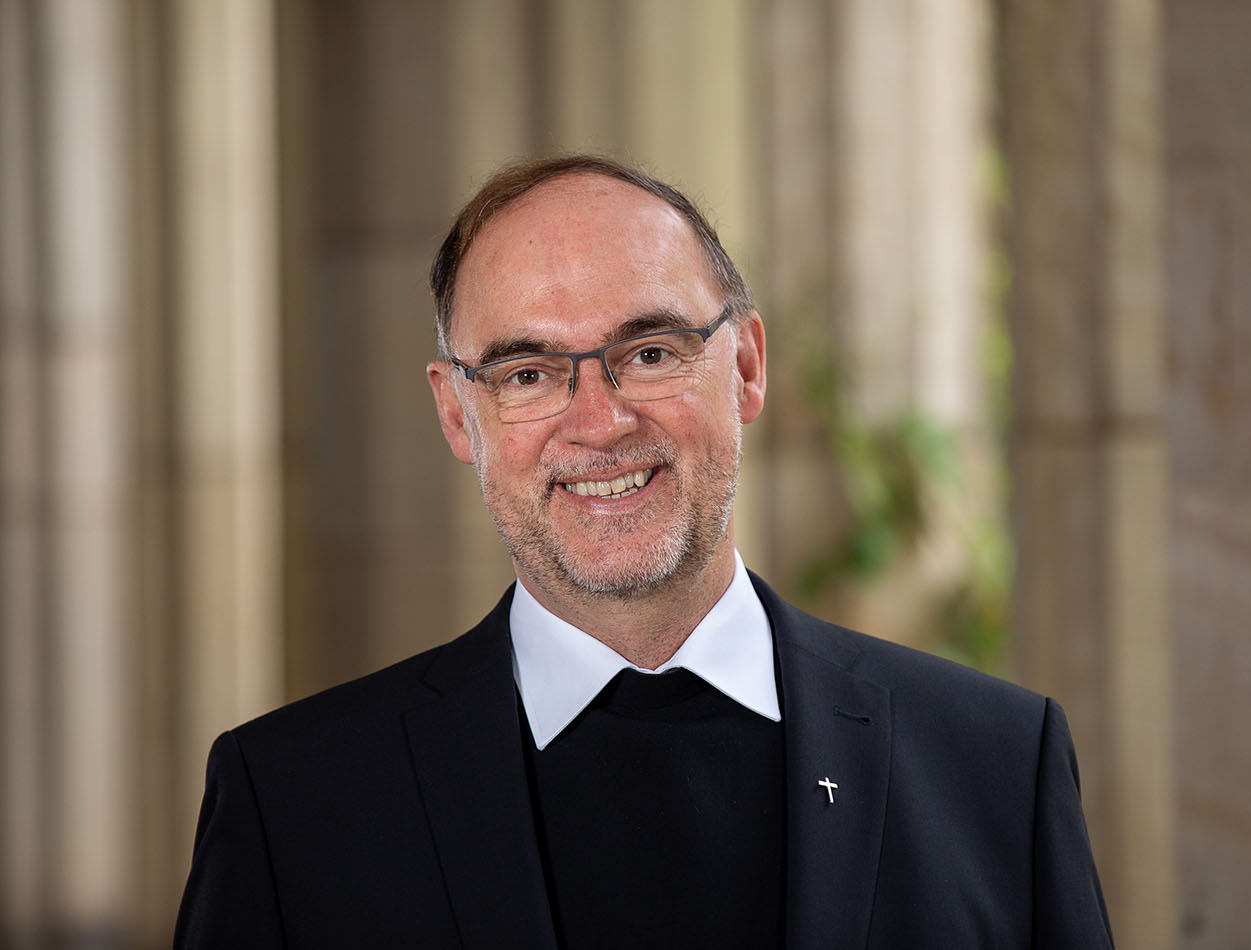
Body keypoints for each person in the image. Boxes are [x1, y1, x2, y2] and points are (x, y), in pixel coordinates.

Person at [174, 155, 1113, 949]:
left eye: (652, 352)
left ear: (746, 367)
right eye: (527, 373)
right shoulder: (292, 804)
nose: (601, 421)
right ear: (458, 414)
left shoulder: (996, 764)